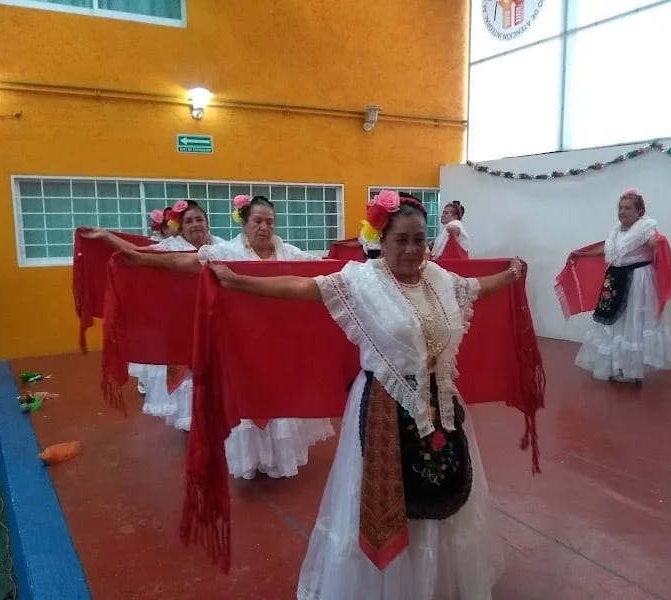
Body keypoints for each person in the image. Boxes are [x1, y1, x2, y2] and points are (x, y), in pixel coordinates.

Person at [204, 190, 522, 599]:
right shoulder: (361, 280)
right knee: (391, 502)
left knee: (444, 493)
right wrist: (239, 281)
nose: (411, 250)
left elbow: (475, 288)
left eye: (419, 240)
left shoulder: (440, 279)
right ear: (382, 240)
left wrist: (510, 276)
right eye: (400, 240)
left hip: (441, 405)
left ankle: (436, 582)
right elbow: (303, 289)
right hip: (385, 408)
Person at [122, 195, 335, 478]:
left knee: (279, 397)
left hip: (280, 343)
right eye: (257, 221)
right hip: (241, 343)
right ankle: (251, 462)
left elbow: (322, 270)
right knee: (248, 399)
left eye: (269, 222)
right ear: (245, 224)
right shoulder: (227, 253)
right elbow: (182, 263)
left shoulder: (288, 253)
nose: (264, 227)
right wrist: (137, 257)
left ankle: (278, 461)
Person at [82, 199, 226, 417]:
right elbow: (137, 252)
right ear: (181, 227)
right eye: (189, 221)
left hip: (215, 321)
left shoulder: (223, 247)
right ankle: (192, 431)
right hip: (180, 324)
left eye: (199, 219)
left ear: (208, 224)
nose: (195, 224)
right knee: (187, 383)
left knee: (216, 377)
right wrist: (107, 237)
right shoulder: (170, 248)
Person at [573, 189, 671, 383]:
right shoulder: (616, 231)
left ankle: (632, 370)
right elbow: (607, 250)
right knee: (616, 322)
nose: (623, 211)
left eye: (628, 208)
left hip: (637, 281)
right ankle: (618, 365)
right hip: (616, 279)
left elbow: (653, 242)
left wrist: (658, 242)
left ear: (639, 211)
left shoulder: (646, 228)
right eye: (620, 207)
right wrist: (583, 254)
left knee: (633, 322)